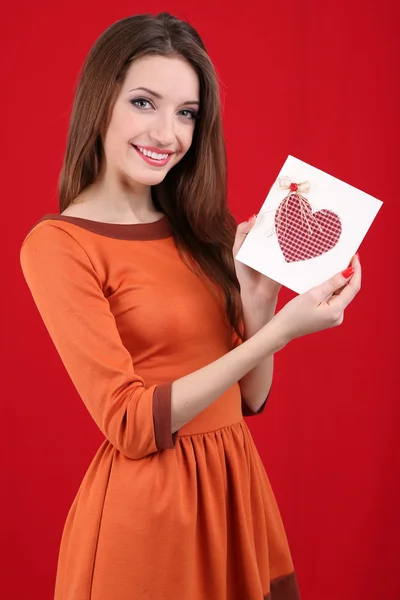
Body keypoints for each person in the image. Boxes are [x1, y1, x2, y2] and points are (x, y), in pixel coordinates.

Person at [19, 12, 361, 600]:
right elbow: (129, 424)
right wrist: (277, 333)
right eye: (145, 103)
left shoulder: (199, 229)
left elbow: (249, 398)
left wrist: (260, 297)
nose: (167, 134)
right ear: (101, 100)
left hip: (236, 495)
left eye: (186, 113)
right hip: (152, 520)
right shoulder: (59, 245)